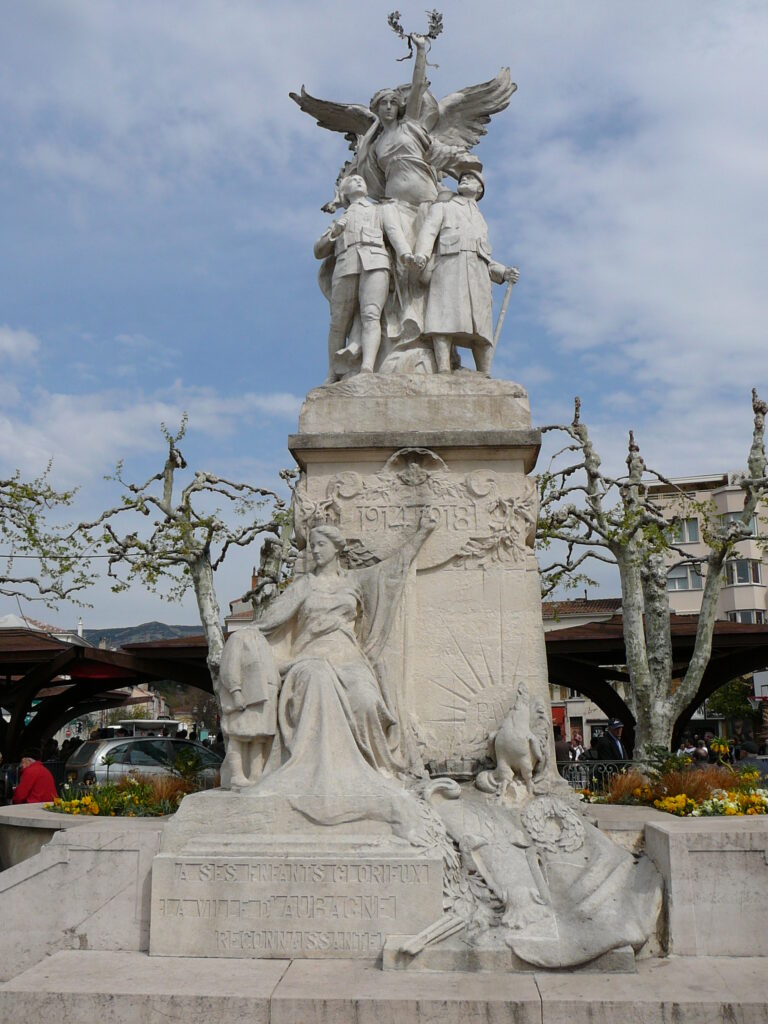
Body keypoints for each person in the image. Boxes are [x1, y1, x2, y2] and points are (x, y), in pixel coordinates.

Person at [412, 171, 518, 374]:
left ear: (479, 189)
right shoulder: (443, 207)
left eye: (471, 179)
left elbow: (485, 257)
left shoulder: (481, 219)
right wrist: (422, 256)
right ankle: (443, 368)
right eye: (462, 179)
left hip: (477, 275)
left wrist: (504, 272)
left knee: (481, 326)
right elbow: (429, 232)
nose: (464, 180)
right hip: (449, 267)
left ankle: (484, 374)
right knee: (443, 318)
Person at [314, 174, 409, 381]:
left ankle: (367, 367)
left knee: (371, 315)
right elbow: (318, 251)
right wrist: (334, 233)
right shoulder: (341, 218)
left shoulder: (379, 210)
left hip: (376, 261)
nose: (358, 181)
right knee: (338, 322)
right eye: (352, 180)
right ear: (344, 192)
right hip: (345, 265)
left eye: (361, 180)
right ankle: (333, 372)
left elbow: (394, 233)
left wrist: (405, 254)